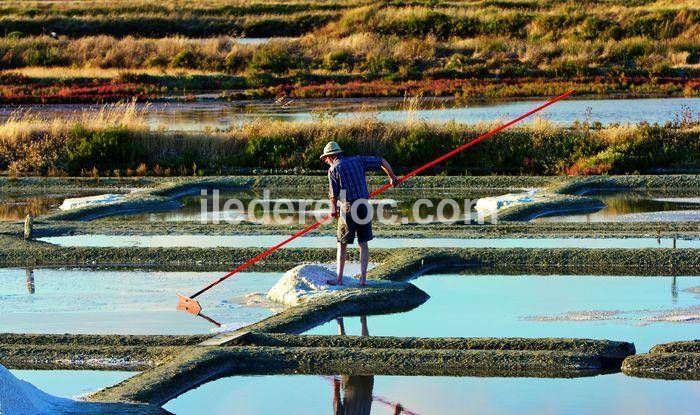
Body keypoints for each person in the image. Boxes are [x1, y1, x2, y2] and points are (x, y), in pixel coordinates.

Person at [320, 141, 398, 286]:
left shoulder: (333, 170)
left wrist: (333, 209)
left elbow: (333, 195)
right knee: (363, 243)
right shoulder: (358, 160)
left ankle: (339, 279)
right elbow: (381, 160)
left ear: (331, 156)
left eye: (325, 158)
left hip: (348, 207)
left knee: (342, 243)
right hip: (364, 205)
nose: (325, 161)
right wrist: (392, 177)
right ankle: (362, 279)